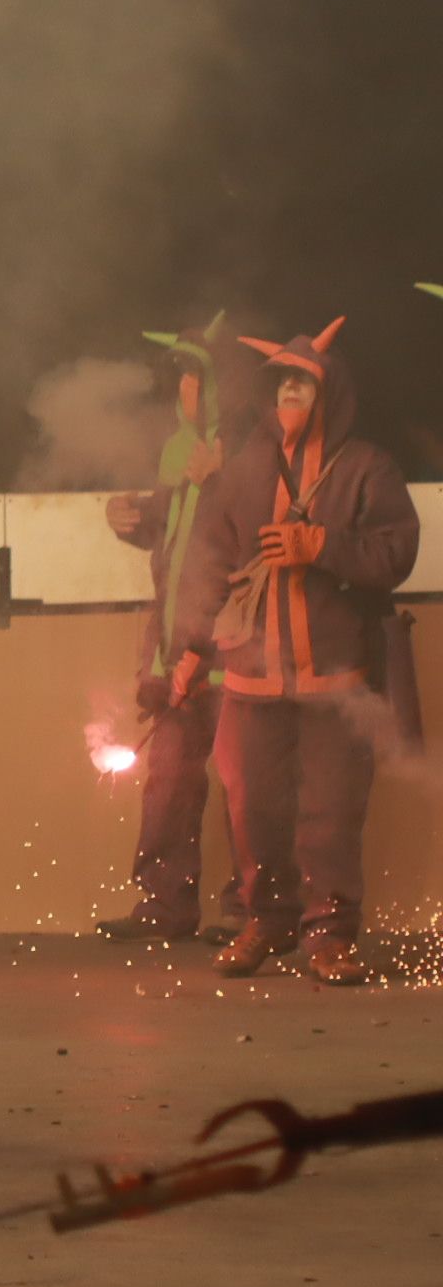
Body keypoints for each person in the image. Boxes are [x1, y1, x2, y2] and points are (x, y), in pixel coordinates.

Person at [169, 320, 420, 987]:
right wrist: (191, 654)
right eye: (280, 384)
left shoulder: (368, 465)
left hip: (337, 680)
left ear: (329, 394)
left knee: (332, 812)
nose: (288, 394)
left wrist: (322, 549)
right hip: (252, 680)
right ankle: (266, 921)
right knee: (254, 808)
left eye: (301, 385)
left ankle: (330, 935)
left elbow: (397, 553)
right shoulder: (244, 471)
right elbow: (208, 566)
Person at [97, 319, 255, 943]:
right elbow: (174, 540)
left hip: (231, 655)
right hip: (176, 654)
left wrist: (201, 650)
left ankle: (251, 912)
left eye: (196, 377)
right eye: (182, 377)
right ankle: (165, 905)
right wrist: (133, 520)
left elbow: (236, 558)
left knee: (247, 789)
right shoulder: (176, 451)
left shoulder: (247, 450)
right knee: (166, 783)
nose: (184, 389)